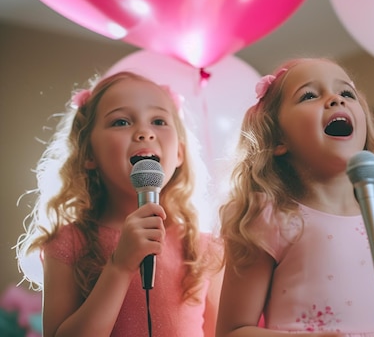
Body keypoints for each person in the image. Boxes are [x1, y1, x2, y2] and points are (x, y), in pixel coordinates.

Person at [215, 58, 374, 337]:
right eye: (309, 95)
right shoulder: (269, 218)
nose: (335, 100)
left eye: (346, 93)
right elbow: (233, 331)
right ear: (278, 139)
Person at [15, 71, 223, 337]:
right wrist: (119, 266)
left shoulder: (204, 249)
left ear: (180, 152)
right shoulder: (69, 242)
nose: (145, 132)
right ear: (88, 153)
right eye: (121, 121)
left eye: (159, 120)